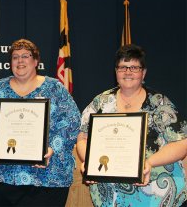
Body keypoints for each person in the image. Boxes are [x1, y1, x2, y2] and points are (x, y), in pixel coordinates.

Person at [76, 44, 187, 206]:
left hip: (157, 192)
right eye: (122, 67)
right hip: (111, 194)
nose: (128, 72)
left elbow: (182, 143)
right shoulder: (101, 102)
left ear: (144, 73)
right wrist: (91, 161)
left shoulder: (160, 103)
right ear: (116, 72)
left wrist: (149, 162)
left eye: (134, 67)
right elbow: (83, 138)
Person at [0, 38, 81, 206]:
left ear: (36, 61)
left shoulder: (55, 89)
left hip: (47, 179)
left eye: (25, 56)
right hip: (3, 179)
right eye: (15, 57)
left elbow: (73, 123)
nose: (20, 60)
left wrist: (51, 148)